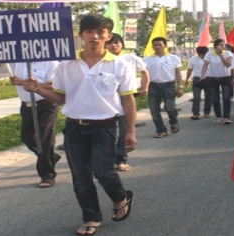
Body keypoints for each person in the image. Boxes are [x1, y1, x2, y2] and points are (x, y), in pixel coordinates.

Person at [23, 14, 136, 235]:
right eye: (89, 32)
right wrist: (38, 90)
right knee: (81, 177)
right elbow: (61, 98)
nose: (94, 36)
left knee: (103, 172)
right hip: (74, 128)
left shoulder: (120, 65)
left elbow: (128, 99)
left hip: (105, 127)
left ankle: (120, 196)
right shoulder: (66, 65)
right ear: (81, 35)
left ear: (108, 35)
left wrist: (130, 131)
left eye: (100, 32)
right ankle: (91, 218)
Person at [9, 61, 60, 188]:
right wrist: (15, 81)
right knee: (27, 138)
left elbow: (55, 85)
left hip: (46, 105)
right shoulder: (18, 62)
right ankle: (50, 157)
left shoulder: (50, 63)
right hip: (27, 106)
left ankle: (47, 175)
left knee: (44, 139)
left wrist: (24, 83)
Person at [106, 33, 150, 171]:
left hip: (126, 98)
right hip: (107, 101)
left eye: (117, 42)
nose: (114, 45)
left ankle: (121, 159)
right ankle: (106, 160)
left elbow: (144, 72)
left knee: (124, 131)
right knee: (106, 132)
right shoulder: (100, 60)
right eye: (111, 43)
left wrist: (145, 88)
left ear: (122, 44)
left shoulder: (130, 59)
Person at [143, 37, 183, 138]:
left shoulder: (174, 58)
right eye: (155, 45)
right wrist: (144, 88)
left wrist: (180, 86)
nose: (157, 47)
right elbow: (144, 75)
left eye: (159, 45)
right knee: (154, 110)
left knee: (170, 107)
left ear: (165, 46)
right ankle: (161, 130)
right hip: (153, 86)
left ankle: (173, 121)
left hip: (168, 85)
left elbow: (178, 73)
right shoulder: (147, 60)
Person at [201, 38, 234, 124]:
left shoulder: (228, 53)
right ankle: (218, 116)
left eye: (223, 45)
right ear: (215, 46)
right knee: (215, 98)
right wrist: (203, 75)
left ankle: (227, 117)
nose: (221, 47)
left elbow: (228, 64)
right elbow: (205, 65)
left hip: (225, 78)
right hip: (213, 78)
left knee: (226, 98)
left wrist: (221, 55)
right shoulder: (209, 54)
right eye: (219, 45)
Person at [184, 46, 211, 120]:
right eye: (200, 54)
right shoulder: (193, 59)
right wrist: (187, 79)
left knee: (208, 97)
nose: (202, 56)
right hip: (197, 79)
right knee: (196, 97)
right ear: (198, 53)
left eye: (204, 54)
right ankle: (195, 113)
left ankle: (207, 112)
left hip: (208, 79)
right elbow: (190, 70)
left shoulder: (210, 58)